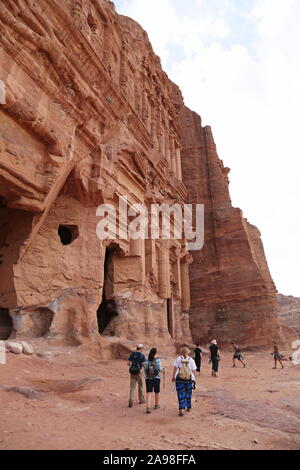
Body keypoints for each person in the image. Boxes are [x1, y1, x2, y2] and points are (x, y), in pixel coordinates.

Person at [172, 347, 197, 417]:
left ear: (181, 352)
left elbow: (175, 368)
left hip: (179, 378)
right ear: (188, 352)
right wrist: (194, 378)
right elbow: (194, 370)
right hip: (189, 379)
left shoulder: (178, 359)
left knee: (181, 393)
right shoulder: (191, 360)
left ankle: (181, 409)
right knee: (188, 392)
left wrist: (173, 376)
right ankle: (188, 407)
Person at [143, 347, 164, 414]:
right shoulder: (158, 360)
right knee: (156, 392)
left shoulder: (146, 361)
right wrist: (163, 370)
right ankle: (156, 405)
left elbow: (145, 370)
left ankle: (148, 407)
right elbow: (160, 369)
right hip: (156, 378)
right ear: (155, 353)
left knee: (149, 393)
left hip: (148, 379)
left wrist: (147, 376)